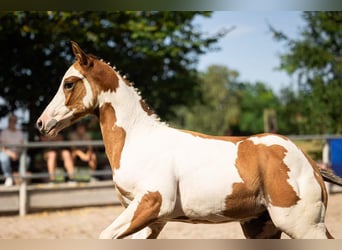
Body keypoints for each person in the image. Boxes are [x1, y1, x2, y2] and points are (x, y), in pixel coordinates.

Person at [0, 114, 24, 186]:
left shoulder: (19, 132)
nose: (13, 122)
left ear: (16, 122)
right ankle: (8, 177)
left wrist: (16, 153)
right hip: (7, 152)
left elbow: (22, 146)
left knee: (26, 159)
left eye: (14, 121)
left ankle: (21, 178)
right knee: (3, 158)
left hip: (18, 153)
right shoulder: (4, 132)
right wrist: (10, 153)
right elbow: (1, 147)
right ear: (9, 121)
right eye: (11, 121)